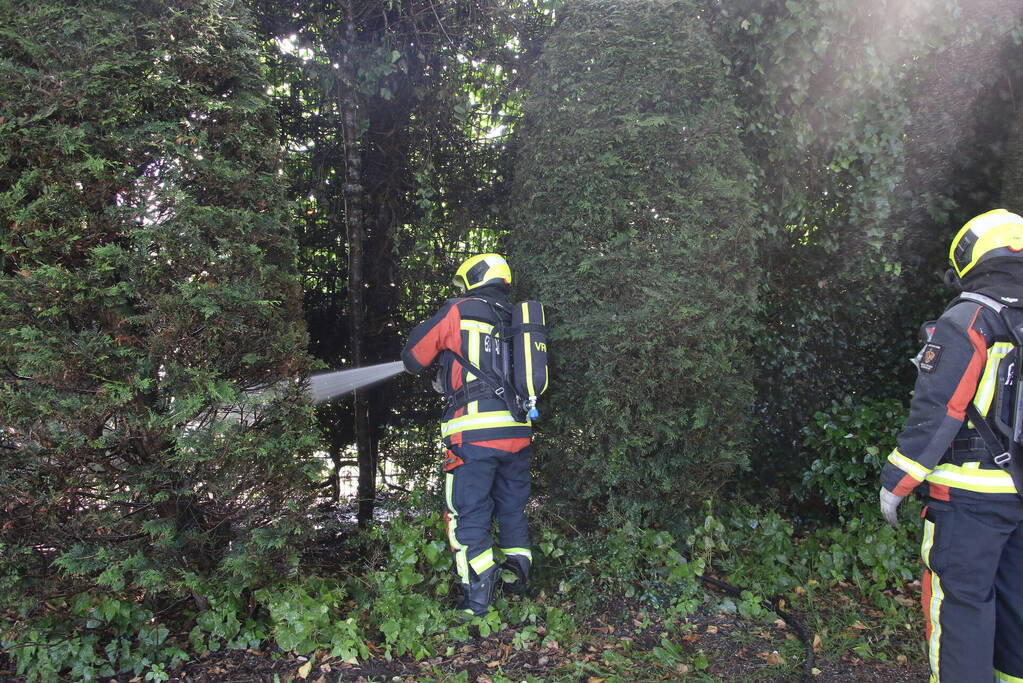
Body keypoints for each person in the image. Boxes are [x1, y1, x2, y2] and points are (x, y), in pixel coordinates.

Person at [879, 208, 1023, 683]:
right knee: (1017, 601)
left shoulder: (970, 318)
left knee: (961, 607)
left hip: (968, 499)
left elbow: (940, 409)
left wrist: (897, 482)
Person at [401, 253, 533, 617]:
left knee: (468, 511)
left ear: (474, 277)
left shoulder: (460, 310)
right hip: (519, 430)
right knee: (512, 508)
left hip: (472, 432)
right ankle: (517, 582)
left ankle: (477, 599)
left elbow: (413, 357)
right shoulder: (518, 319)